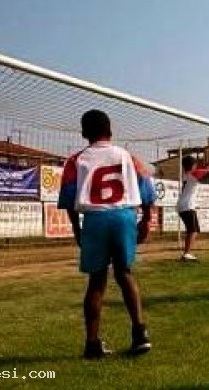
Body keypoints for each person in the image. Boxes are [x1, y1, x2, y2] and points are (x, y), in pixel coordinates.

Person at [58, 109, 156, 359]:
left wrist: (77, 229)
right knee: (125, 274)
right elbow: (147, 190)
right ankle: (140, 334)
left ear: (83, 133)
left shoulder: (75, 160)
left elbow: (69, 200)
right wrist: (146, 219)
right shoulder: (128, 156)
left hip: (95, 219)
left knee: (97, 281)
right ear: (110, 132)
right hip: (124, 216)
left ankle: (92, 344)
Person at [176, 152, 209, 262]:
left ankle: (187, 253)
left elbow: (203, 169)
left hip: (182, 205)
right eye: (195, 164)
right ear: (193, 165)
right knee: (193, 230)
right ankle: (187, 253)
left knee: (192, 230)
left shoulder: (187, 175)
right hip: (187, 205)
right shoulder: (194, 173)